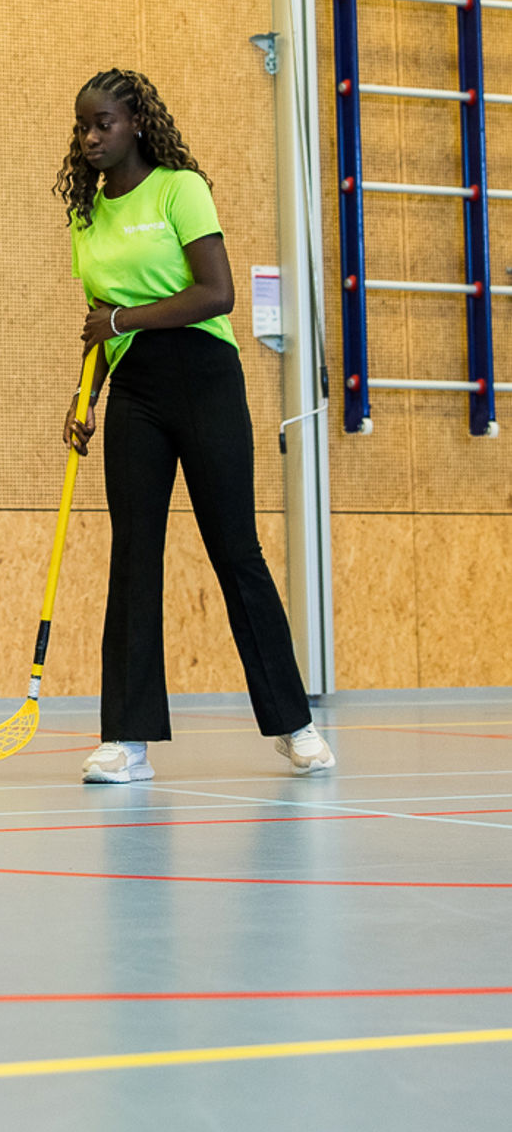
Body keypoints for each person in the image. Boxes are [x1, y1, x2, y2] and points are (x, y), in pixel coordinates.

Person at [58, 68, 334, 786]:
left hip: (205, 380)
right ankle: (126, 739)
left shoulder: (181, 189)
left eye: (104, 123)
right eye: (83, 125)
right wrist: (85, 397)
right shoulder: (85, 217)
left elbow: (217, 294)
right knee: (134, 556)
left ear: (137, 123)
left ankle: (295, 725)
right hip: (136, 391)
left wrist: (119, 319)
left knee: (235, 550)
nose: (90, 137)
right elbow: (99, 320)